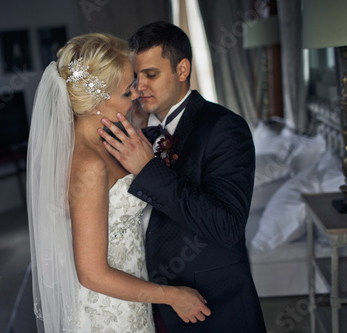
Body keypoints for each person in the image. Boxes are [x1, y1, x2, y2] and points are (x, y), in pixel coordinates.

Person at [26, 33, 211, 333]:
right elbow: (92, 274)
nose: (137, 94)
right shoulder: (88, 165)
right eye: (128, 92)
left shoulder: (105, 143)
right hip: (107, 313)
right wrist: (172, 296)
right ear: (97, 101)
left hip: (128, 297)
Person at [98, 22, 267, 332]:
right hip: (150, 305)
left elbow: (226, 225)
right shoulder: (139, 133)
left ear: (182, 69)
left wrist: (149, 170)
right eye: (136, 77)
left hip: (213, 307)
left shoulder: (225, 128)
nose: (140, 87)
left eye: (151, 74)